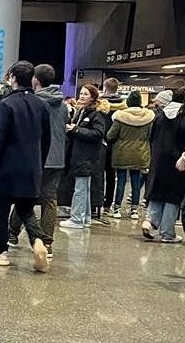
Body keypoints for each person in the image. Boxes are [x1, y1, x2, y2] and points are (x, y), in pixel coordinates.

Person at [0, 61, 51, 271]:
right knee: (26, 210)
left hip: (6, 169)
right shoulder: (42, 105)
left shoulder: (6, 104)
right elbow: (46, 140)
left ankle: (1, 252)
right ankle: (37, 242)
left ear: (12, 77)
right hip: (31, 167)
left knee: (1, 211)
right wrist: (39, 163)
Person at [7, 63, 68, 260]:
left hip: (34, 156)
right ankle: (47, 243)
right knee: (50, 200)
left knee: (23, 196)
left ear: (35, 80)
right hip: (57, 158)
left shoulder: (31, 102)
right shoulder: (64, 104)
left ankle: (12, 234)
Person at [142, 84, 185, 243]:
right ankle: (167, 233)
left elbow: (151, 137)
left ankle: (149, 221)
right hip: (179, 160)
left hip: (158, 158)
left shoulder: (160, 115)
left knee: (157, 191)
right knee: (173, 196)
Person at [59, 84, 106, 230]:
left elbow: (98, 134)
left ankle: (77, 218)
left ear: (93, 96)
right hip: (81, 156)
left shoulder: (96, 114)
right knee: (83, 188)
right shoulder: (82, 111)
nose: (82, 96)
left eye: (86, 94)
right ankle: (85, 217)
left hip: (87, 157)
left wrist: (76, 129)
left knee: (80, 188)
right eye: (81, 93)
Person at [105, 91, 154, 219]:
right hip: (140, 153)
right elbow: (150, 136)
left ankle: (117, 209)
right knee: (136, 182)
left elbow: (110, 135)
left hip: (122, 153)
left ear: (128, 102)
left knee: (121, 180)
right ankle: (134, 211)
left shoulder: (121, 117)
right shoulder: (148, 118)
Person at [98, 77, 126, 213]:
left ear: (104, 87)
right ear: (117, 88)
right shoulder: (124, 106)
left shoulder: (99, 104)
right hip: (116, 144)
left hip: (99, 142)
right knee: (111, 175)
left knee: (98, 174)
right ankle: (108, 204)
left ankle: (96, 202)